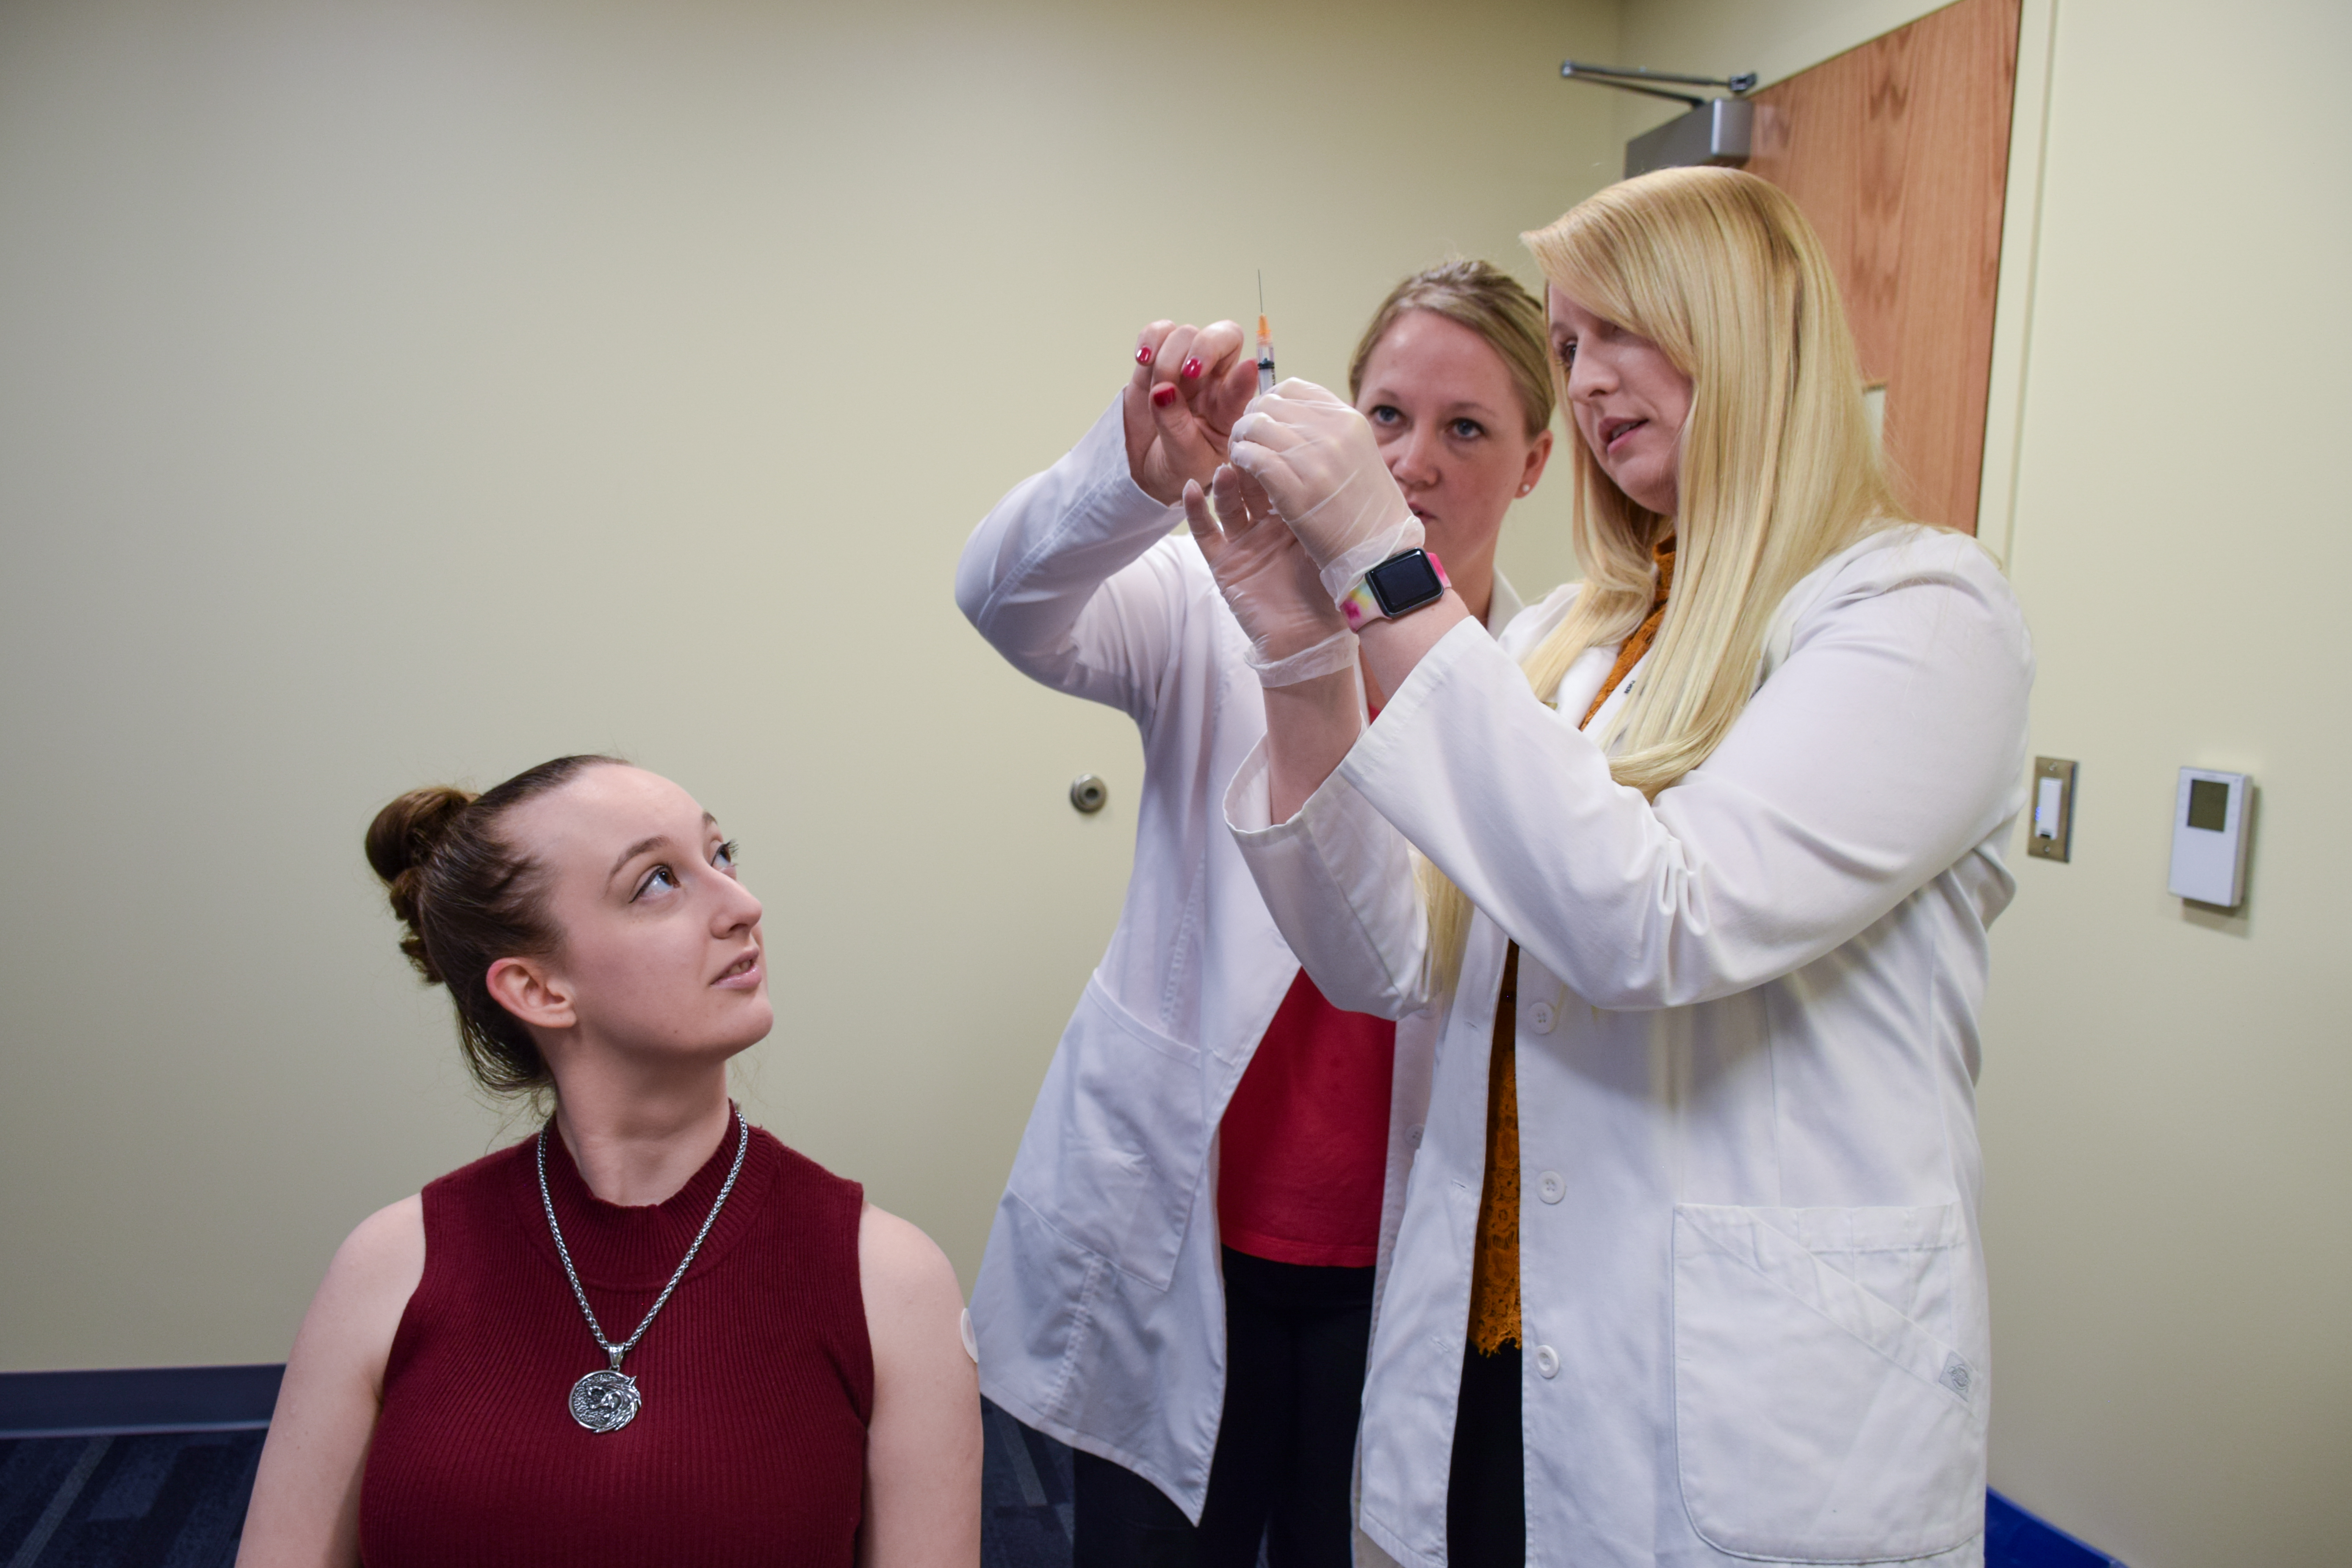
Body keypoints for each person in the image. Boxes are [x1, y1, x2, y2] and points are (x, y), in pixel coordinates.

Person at [1200, 167, 2033, 1567]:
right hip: (1495, 1355)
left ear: (1748, 335)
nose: (1588, 380)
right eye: (1574, 344)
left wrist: (1382, 565)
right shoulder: (1574, 640)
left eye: (1628, 332)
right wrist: (1296, 650)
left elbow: (1656, 920)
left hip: (1740, 1409)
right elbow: (1387, 959)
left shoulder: (1918, 615)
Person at [955, 260, 1555, 1566]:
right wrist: (1132, 474)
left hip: (1399, 1254)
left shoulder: (1545, 689)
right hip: (1186, 1234)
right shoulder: (1214, 601)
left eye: (1469, 429)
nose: (1416, 461)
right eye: (1387, 416)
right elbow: (1002, 601)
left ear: (1535, 464)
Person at [237, 755, 980, 1568]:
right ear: (540, 990)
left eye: (721, 855)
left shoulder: (891, 1282)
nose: (742, 905)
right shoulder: (389, 1267)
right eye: (658, 882)